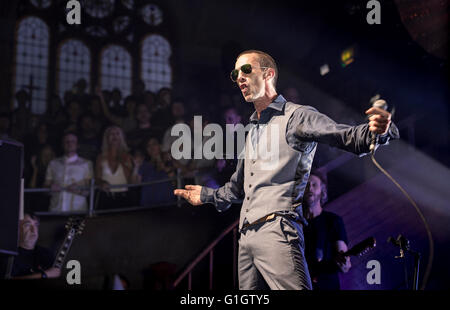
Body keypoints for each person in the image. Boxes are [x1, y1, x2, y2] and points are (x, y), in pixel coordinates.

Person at [174, 50, 399, 290]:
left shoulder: (296, 116)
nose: (239, 77)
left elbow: (345, 135)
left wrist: (379, 131)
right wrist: (207, 195)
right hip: (246, 237)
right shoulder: (250, 131)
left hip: (277, 229)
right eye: (235, 73)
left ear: (269, 74)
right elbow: (237, 189)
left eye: (246, 70)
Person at [302, 169, 351, 290]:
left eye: (314, 185)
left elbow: (345, 264)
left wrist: (344, 263)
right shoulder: (296, 223)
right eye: (306, 185)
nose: (310, 188)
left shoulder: (333, 221)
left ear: (322, 190)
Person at [44, 132, 94, 212]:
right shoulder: (53, 163)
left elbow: (89, 190)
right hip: (56, 209)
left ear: (77, 145)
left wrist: (79, 191)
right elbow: (45, 187)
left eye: (73, 141)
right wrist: (50, 189)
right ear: (62, 144)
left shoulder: (86, 164)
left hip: (77, 210)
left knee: (76, 225)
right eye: (66, 141)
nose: (69, 144)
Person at [11, 213, 60, 279]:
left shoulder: (46, 253)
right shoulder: (9, 256)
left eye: (36, 225)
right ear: (17, 229)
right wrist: (44, 275)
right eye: (27, 225)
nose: (34, 230)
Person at [95, 126, 133, 210]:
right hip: (105, 196)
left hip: (124, 196)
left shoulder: (127, 156)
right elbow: (97, 178)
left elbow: (130, 181)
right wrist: (102, 182)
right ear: (107, 138)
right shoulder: (100, 157)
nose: (114, 136)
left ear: (121, 137)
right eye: (111, 134)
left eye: (117, 134)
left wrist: (122, 161)